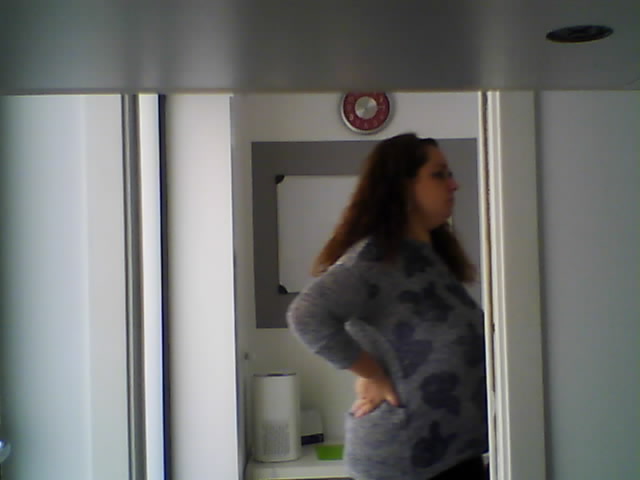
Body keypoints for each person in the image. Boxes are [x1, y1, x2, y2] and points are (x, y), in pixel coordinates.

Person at [286, 133, 488, 480]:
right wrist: (373, 374)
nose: (454, 184)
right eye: (439, 174)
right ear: (403, 186)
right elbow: (306, 315)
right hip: (405, 461)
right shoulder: (375, 259)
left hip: (456, 455)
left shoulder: (431, 259)